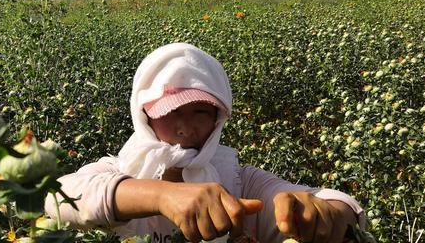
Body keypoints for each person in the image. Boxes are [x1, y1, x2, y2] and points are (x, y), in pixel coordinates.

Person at [45, 43, 366, 243]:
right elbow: (57, 198)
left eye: (200, 111)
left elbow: (333, 202)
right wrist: (162, 196)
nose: (184, 128)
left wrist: (329, 212)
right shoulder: (121, 169)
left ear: (218, 117)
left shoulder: (239, 183)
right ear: (145, 117)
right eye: (168, 112)